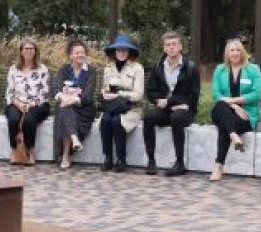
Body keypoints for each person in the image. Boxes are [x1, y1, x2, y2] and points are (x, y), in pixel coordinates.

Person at [143, 32, 200, 176]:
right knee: (148, 117)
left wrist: (170, 101)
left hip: (185, 111)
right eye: (168, 45)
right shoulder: (158, 67)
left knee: (177, 118)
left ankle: (180, 163)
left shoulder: (190, 68)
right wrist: (159, 101)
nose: (171, 47)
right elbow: (150, 91)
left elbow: (193, 96)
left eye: (174, 44)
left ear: (180, 47)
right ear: (164, 48)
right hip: (166, 109)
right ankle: (151, 161)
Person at [208, 38, 261, 182]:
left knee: (224, 125)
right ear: (227, 53)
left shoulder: (253, 69)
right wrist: (233, 106)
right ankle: (233, 135)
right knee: (220, 106)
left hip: (246, 115)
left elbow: (257, 94)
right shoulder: (220, 70)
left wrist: (234, 102)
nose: (235, 53)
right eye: (232, 50)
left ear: (243, 52)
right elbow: (216, 94)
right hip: (224, 110)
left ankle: (218, 165)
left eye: (238, 49)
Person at [99, 34, 145, 173]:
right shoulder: (108, 68)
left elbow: (138, 94)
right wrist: (105, 93)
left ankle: (121, 159)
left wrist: (119, 94)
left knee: (117, 121)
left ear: (129, 51)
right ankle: (108, 158)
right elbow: (105, 88)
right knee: (106, 120)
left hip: (131, 108)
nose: (121, 53)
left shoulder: (137, 68)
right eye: (119, 50)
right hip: (113, 107)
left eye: (125, 50)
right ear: (114, 52)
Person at [51, 40, 98, 169]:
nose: (80, 55)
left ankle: (66, 154)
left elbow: (88, 94)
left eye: (82, 53)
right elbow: (55, 87)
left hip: (83, 108)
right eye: (77, 53)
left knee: (64, 109)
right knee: (65, 109)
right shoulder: (64, 69)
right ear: (71, 55)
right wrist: (63, 97)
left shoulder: (91, 71)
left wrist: (72, 100)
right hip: (66, 105)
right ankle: (73, 141)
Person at [5, 38, 51, 166]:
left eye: (32, 49)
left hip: (38, 104)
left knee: (29, 120)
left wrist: (31, 104)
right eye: (26, 48)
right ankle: (15, 150)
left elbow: (45, 93)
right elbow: (9, 92)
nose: (29, 51)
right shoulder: (14, 69)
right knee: (13, 119)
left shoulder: (42, 69)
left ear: (36, 51)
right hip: (16, 103)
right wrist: (18, 104)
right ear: (21, 51)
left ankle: (30, 150)